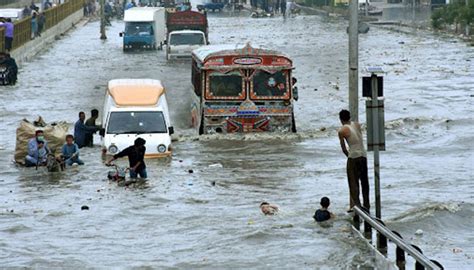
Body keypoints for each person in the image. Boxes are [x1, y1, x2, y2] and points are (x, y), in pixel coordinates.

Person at [338, 109, 370, 212]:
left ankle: (357, 207)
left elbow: (344, 149)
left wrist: (349, 156)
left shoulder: (342, 131)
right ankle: (367, 205)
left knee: (353, 183)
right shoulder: (357, 125)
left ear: (341, 119)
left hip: (353, 156)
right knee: (364, 182)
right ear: (349, 117)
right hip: (363, 155)